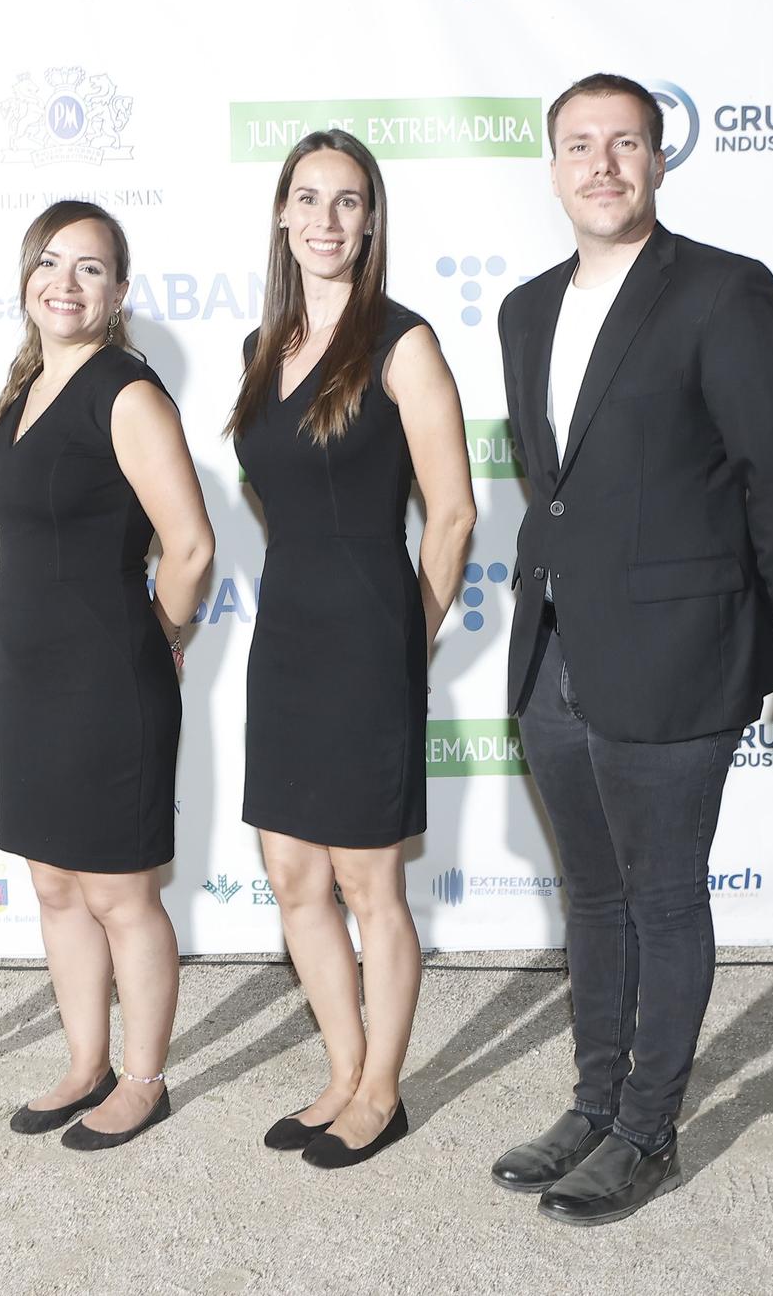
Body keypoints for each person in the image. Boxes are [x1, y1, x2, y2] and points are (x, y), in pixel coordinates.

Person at [488, 74, 773, 1224]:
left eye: (622, 142)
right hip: (552, 655)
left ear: (657, 160)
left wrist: (740, 627)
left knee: (663, 897)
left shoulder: (722, 291)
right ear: (551, 166)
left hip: (680, 654)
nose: (600, 164)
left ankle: (645, 1131)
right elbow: (555, 484)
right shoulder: (524, 309)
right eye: (578, 144)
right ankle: (591, 1106)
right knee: (590, 898)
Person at [229, 130, 476, 1169]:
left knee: (371, 883)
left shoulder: (402, 342)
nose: (326, 219)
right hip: (283, 630)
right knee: (292, 874)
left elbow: (454, 514)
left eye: (348, 201)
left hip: (369, 632)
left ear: (369, 221)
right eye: (308, 198)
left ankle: (382, 1090)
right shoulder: (261, 346)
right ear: (282, 216)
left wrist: (398, 639)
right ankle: (337, 1069)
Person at [0, 200, 215, 1151]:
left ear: (119, 292)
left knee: (120, 894)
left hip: (110, 676)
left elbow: (190, 544)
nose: (65, 283)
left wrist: (161, 633)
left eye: (92, 268)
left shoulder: (128, 392)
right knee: (56, 885)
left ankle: (145, 1078)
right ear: (28, 274)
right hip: (27, 678)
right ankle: (85, 1062)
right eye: (52, 262)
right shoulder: (22, 387)